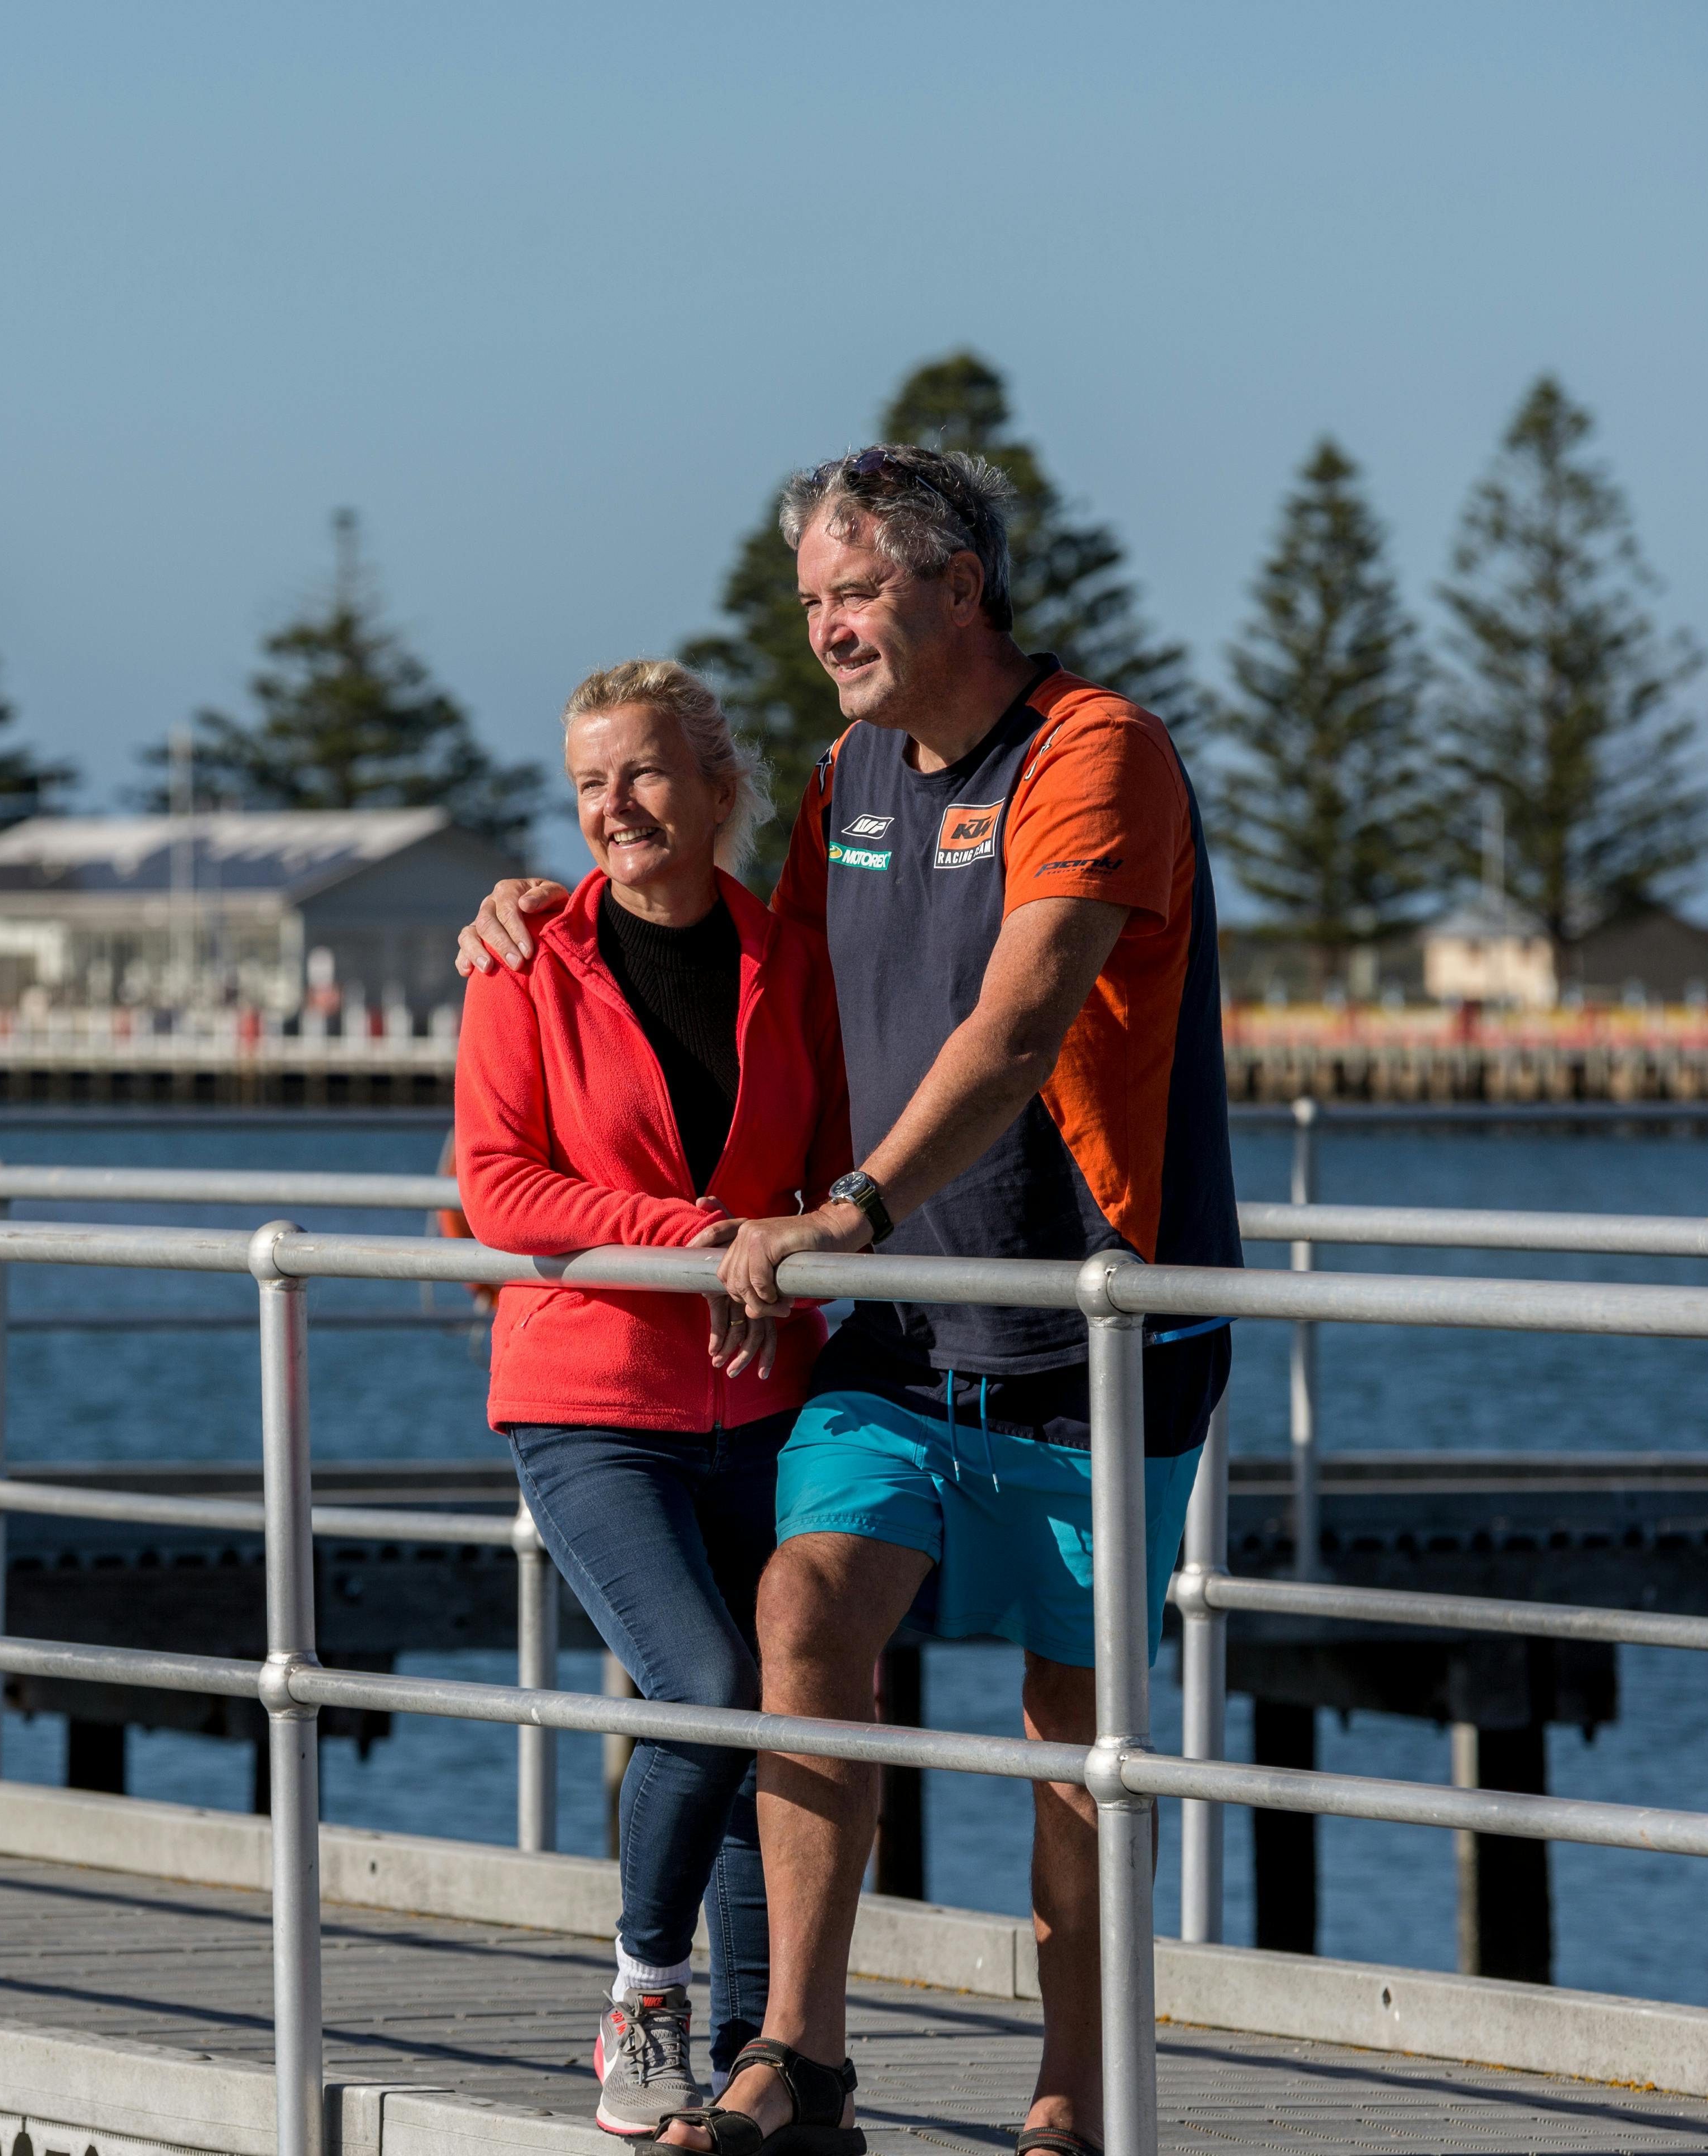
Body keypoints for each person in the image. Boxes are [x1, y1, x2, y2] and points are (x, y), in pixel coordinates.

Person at [458, 447, 1240, 2156]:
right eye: (812, 599)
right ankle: (796, 2060)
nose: (827, 628)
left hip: (1089, 1332)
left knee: (1073, 1745)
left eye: (858, 591)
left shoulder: (1097, 752)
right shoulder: (847, 781)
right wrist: (545, 909)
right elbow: (747, 957)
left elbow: (1023, 1024)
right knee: (801, 1621)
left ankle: (1076, 2096)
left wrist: (850, 1206)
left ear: (961, 588)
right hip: (893, 1334)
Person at [454, 658, 852, 2140]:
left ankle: (762, 2063)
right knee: (710, 1689)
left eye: (643, 774)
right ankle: (644, 1993)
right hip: (589, 1393)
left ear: (717, 785)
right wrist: (702, 1241)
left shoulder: (788, 957)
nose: (614, 808)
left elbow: (837, 1173)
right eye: (588, 786)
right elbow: (495, 1187)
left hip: (767, 1397)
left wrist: (800, 1254)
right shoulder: (526, 960)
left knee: (781, 1717)